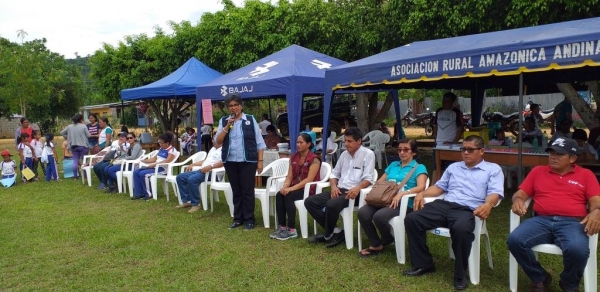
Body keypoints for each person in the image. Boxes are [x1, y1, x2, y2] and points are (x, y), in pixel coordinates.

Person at [403, 135, 503, 291]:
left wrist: (489, 204)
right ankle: (424, 264)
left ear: (482, 151)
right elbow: (439, 188)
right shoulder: (454, 167)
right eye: (463, 149)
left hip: (468, 209)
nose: (465, 153)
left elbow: (495, 192)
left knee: (461, 229)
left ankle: (460, 274)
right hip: (445, 205)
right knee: (412, 219)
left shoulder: (492, 169)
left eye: (470, 150)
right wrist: (422, 194)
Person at [507, 137, 600, 292]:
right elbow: (520, 194)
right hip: (541, 220)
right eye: (551, 153)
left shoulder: (586, 175)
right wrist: (517, 201)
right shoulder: (538, 171)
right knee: (515, 240)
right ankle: (540, 277)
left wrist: (596, 211)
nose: (553, 157)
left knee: (577, 249)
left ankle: (569, 283)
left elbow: (596, 201)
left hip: (572, 223)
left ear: (572, 158)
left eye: (559, 154)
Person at [304, 127, 375, 248]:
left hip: (355, 192)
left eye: (350, 141)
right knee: (310, 201)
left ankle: (327, 234)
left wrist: (357, 188)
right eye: (345, 141)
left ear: (359, 141)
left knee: (331, 204)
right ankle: (336, 231)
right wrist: (333, 187)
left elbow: (368, 179)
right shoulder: (344, 155)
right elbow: (334, 174)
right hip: (339, 190)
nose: (346, 144)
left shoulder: (368, 154)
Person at [357, 139, 428, 257]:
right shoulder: (393, 165)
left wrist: (403, 193)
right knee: (363, 212)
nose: (402, 152)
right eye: (399, 150)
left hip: (404, 203)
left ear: (414, 152)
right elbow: (380, 181)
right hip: (385, 199)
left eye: (406, 150)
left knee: (379, 216)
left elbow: (421, 187)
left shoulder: (419, 167)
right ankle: (376, 243)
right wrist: (377, 192)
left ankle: (386, 238)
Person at [215, 93, 266, 230]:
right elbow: (217, 142)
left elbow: (259, 142)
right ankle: (238, 218)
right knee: (236, 190)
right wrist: (226, 127)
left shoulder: (250, 119)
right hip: (230, 160)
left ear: (241, 106)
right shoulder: (224, 121)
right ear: (227, 108)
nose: (233, 108)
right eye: (230, 106)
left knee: (247, 190)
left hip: (247, 160)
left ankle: (249, 219)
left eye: (235, 105)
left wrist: (260, 161)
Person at [270, 133, 321, 240]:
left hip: (308, 190)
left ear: (308, 144)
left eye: (301, 142)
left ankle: (292, 229)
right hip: (294, 187)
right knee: (280, 194)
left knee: (289, 195)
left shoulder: (314, 159)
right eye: (297, 142)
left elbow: (309, 179)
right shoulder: (293, 157)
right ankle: (282, 227)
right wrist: (285, 186)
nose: (298, 144)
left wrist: (290, 189)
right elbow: (289, 176)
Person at [175, 139, 223, 213]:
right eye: (213, 139)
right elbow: (206, 161)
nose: (213, 141)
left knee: (192, 179)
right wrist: (193, 164)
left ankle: (196, 204)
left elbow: (223, 162)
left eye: (215, 140)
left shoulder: (224, 149)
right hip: (202, 170)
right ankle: (188, 201)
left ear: (221, 141)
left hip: (213, 174)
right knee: (180, 177)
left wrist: (210, 167)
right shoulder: (213, 149)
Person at [132, 132, 178, 200]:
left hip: (163, 169)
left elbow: (168, 161)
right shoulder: (161, 149)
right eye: (159, 142)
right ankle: (139, 194)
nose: (160, 144)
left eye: (161, 143)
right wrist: (143, 161)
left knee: (144, 174)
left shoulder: (172, 150)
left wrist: (155, 164)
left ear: (167, 143)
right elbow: (154, 159)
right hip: (155, 167)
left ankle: (149, 194)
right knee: (136, 172)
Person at [60, 114, 92, 180]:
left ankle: (75, 177)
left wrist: (68, 137)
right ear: (80, 119)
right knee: (84, 161)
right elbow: (88, 135)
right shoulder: (83, 126)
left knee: (75, 161)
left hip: (74, 146)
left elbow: (62, 132)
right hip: (83, 146)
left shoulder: (69, 126)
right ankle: (85, 176)